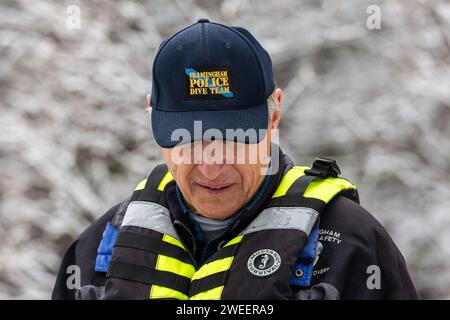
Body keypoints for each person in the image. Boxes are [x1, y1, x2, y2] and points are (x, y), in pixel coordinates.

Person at [52, 19, 418, 300]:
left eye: (234, 139)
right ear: (152, 115)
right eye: (189, 142)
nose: (212, 166)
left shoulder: (351, 246)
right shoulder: (99, 247)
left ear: (274, 115)